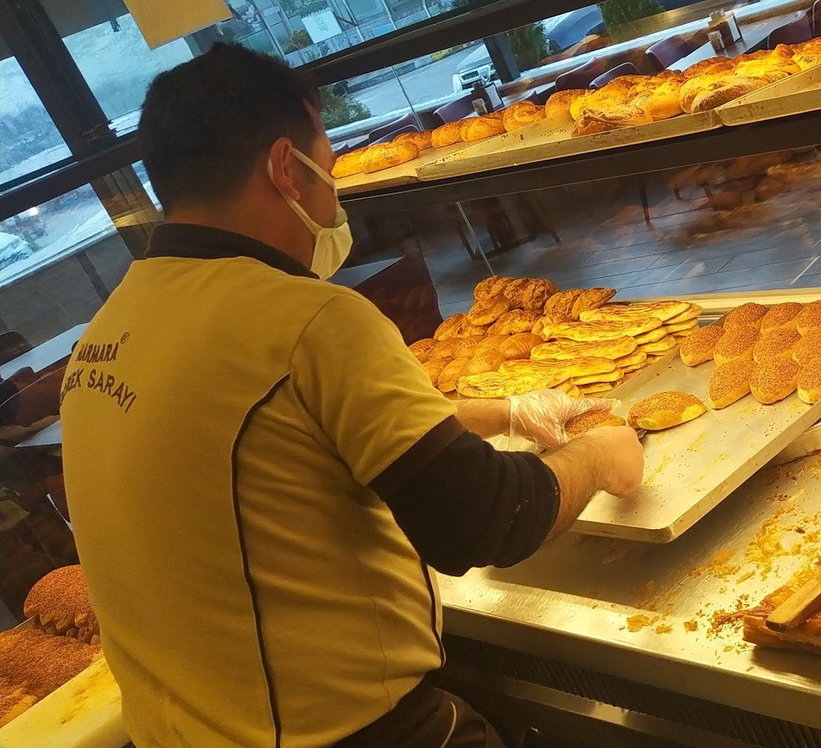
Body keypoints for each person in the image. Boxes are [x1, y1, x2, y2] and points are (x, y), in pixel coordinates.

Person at [59, 44, 643, 748]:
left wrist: (501, 414)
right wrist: (598, 452)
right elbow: (482, 520)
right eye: (329, 172)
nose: (334, 197)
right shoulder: (306, 319)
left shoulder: (110, 330)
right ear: (287, 170)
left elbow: (267, 434)